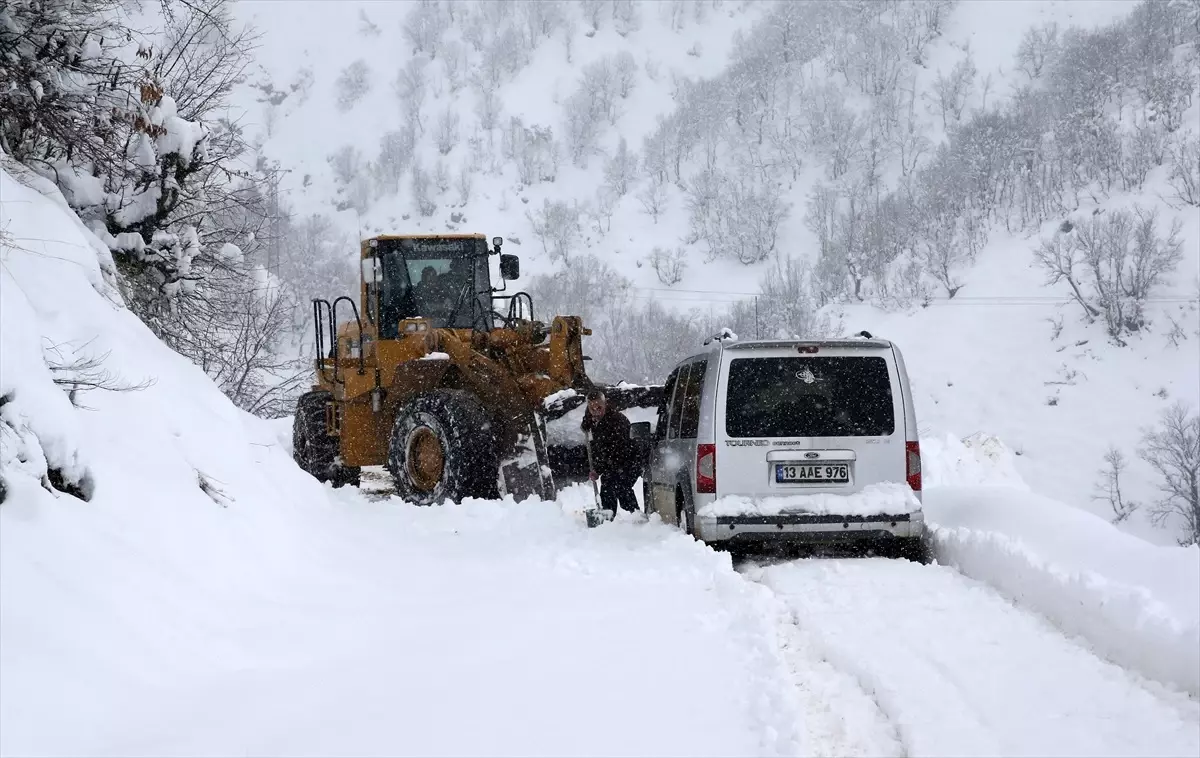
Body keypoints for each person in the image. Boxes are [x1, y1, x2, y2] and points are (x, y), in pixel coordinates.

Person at [580, 388, 641, 517]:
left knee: (620, 487)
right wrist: (586, 424)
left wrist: (598, 469)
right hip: (613, 461)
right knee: (608, 488)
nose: (596, 411)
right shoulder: (593, 416)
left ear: (605, 405)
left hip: (629, 460)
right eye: (592, 409)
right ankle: (608, 517)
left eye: (599, 408)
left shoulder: (617, 422)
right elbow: (588, 419)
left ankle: (637, 518)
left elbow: (613, 452)